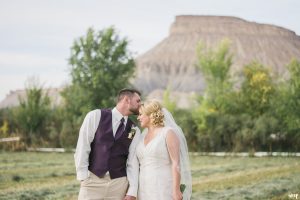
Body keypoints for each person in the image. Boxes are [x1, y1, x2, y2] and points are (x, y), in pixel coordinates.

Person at [74, 88, 142, 200]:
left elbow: (132, 161)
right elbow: (83, 146)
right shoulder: (96, 116)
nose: (140, 105)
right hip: (92, 182)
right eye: (138, 101)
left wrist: (132, 191)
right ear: (127, 100)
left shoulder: (134, 129)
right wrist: (83, 177)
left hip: (118, 185)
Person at [136, 100, 192, 200]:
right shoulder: (141, 137)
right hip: (143, 188)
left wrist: (176, 190)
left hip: (163, 186)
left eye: (140, 114)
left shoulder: (168, 133)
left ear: (150, 115)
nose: (138, 117)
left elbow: (176, 164)